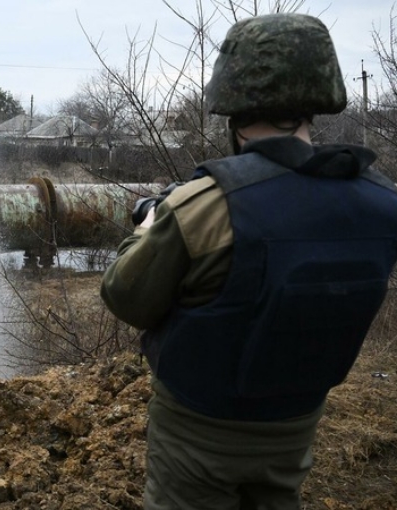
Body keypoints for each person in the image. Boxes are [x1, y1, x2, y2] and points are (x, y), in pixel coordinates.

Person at [100, 13, 397, 510]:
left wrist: (149, 227)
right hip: (296, 426)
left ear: (233, 105)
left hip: (198, 432)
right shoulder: (382, 202)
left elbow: (125, 296)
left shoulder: (204, 205)